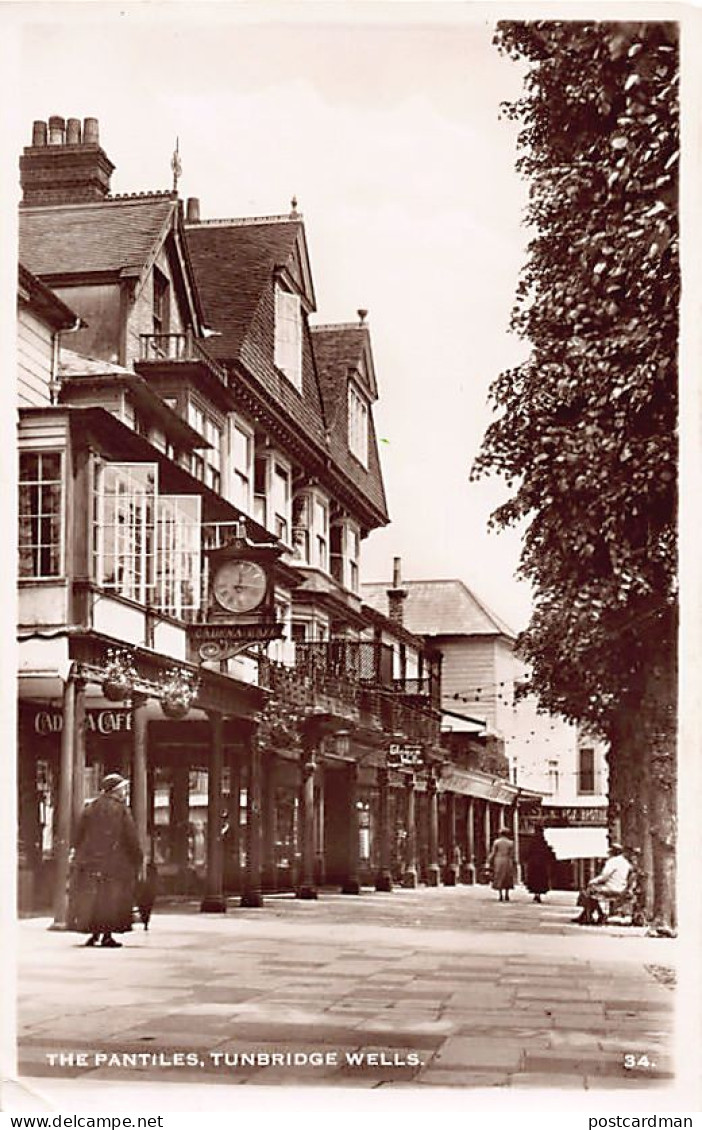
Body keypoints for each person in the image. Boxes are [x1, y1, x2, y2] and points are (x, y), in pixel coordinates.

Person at [68, 772, 143, 947]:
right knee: (111, 900)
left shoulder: (90, 807)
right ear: (115, 791)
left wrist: (77, 854)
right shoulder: (122, 810)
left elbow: (78, 834)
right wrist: (137, 858)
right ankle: (107, 935)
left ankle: (94, 933)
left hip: (90, 863)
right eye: (123, 789)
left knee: (93, 899)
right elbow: (130, 837)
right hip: (115, 864)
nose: (125, 792)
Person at [573, 841, 632, 925]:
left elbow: (604, 876)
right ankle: (587, 915)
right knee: (592, 892)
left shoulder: (612, 862)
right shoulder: (626, 863)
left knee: (589, 891)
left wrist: (592, 881)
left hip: (611, 888)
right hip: (621, 887)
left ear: (612, 852)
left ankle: (592, 915)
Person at [525, 827, 553, 903]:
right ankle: (539, 894)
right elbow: (548, 852)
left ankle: (536, 894)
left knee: (534, 879)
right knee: (540, 879)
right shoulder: (545, 841)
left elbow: (528, 852)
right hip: (542, 863)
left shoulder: (532, 840)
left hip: (533, 863)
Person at [488, 827, 515, 902]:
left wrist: (489, 859)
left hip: (499, 860)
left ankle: (500, 895)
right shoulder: (510, 843)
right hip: (507, 860)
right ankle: (507, 894)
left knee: (499, 876)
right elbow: (512, 854)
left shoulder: (496, 842)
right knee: (507, 877)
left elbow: (493, 852)